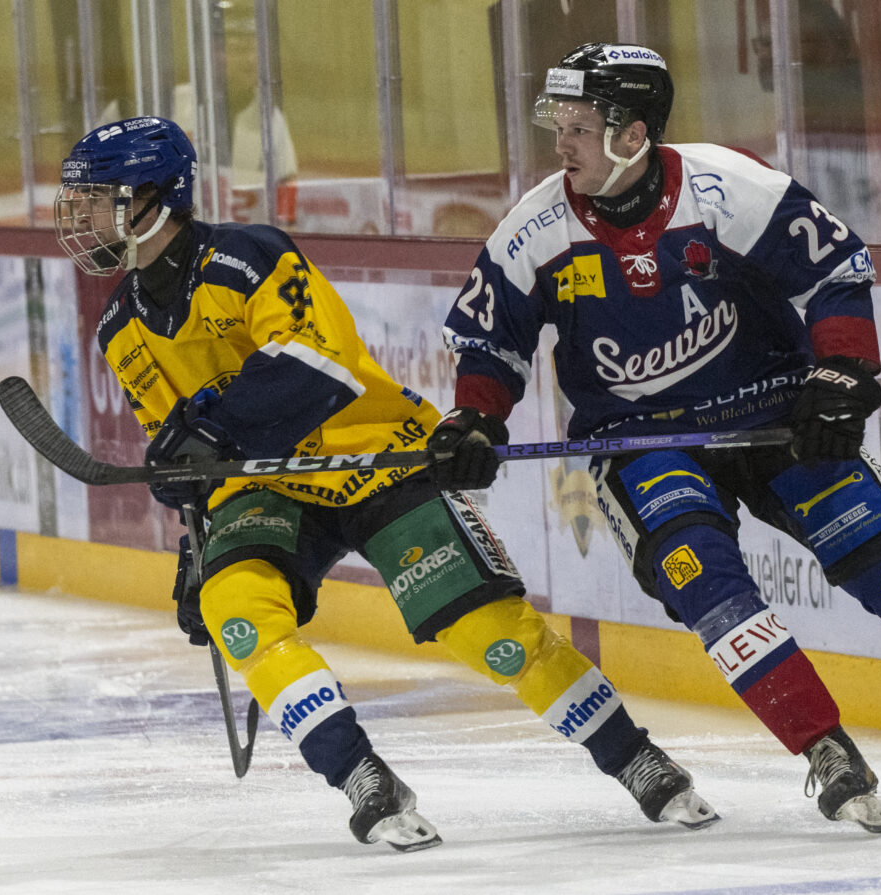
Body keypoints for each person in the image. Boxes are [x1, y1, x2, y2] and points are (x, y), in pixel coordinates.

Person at [434, 42, 881, 834]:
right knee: (712, 588)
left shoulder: (728, 187)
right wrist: (475, 419)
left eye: (579, 127)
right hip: (643, 440)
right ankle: (825, 748)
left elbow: (834, 271)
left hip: (773, 413)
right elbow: (490, 344)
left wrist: (844, 374)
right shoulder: (536, 231)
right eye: (561, 126)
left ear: (632, 133)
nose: (562, 145)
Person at [53, 115, 720, 852]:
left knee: (492, 636)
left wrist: (213, 420)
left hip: (370, 454)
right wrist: (192, 523)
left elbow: (320, 366)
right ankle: (361, 774)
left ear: (152, 197)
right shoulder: (119, 325)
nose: (78, 216)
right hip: (265, 487)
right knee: (236, 609)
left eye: (95, 198)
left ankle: (635, 757)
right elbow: (188, 456)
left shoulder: (247, 257)